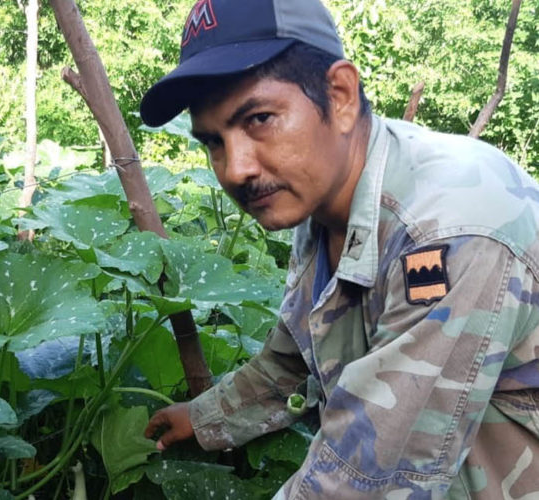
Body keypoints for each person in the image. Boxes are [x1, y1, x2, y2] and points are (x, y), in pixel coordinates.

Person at [139, 0, 539, 498]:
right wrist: (204, 420)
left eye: (260, 118)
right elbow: (291, 363)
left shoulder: (448, 232)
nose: (235, 168)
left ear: (341, 96)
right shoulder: (323, 201)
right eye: (213, 142)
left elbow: (370, 474)